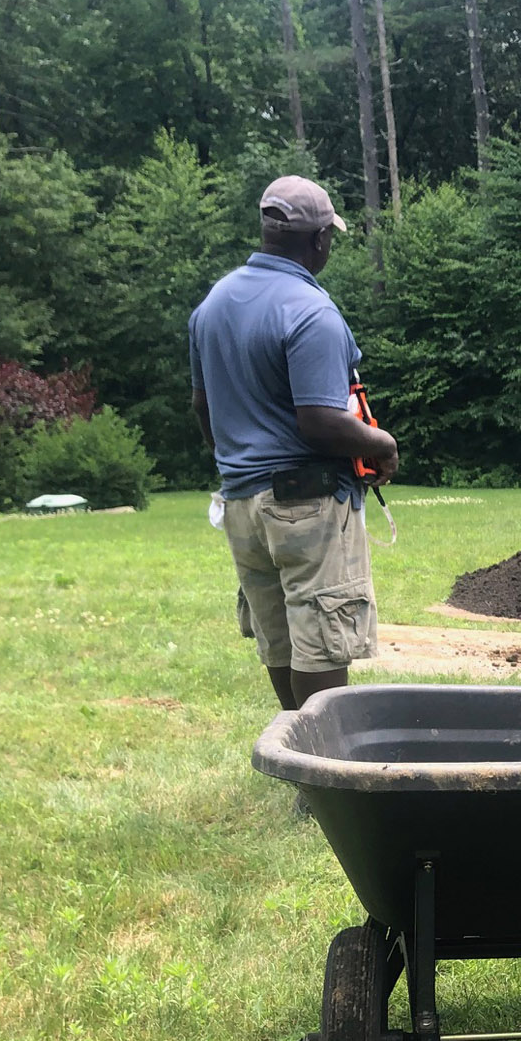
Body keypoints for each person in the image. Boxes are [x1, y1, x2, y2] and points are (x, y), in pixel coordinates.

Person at [190, 176, 399, 712]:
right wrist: (382, 442)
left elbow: (202, 408)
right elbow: (321, 422)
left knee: (279, 635)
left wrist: (237, 462)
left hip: (239, 502)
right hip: (306, 500)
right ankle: (324, 776)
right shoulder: (312, 312)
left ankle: (299, 761)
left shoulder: (212, 306)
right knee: (322, 636)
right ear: (319, 240)